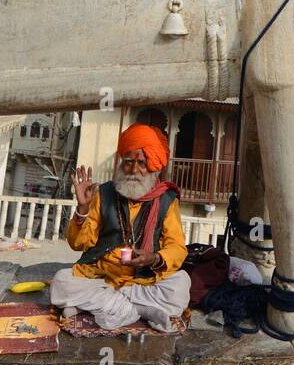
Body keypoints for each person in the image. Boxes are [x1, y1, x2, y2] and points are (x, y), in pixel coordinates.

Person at [49, 123, 189, 332]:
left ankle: (114, 307)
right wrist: (83, 208)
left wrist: (154, 258)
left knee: (180, 285)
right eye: (129, 162)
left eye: (141, 163)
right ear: (122, 162)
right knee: (61, 281)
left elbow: (177, 247)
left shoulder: (166, 200)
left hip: (143, 280)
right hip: (101, 277)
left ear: (153, 166)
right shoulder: (103, 193)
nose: (134, 170)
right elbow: (78, 244)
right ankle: (139, 310)